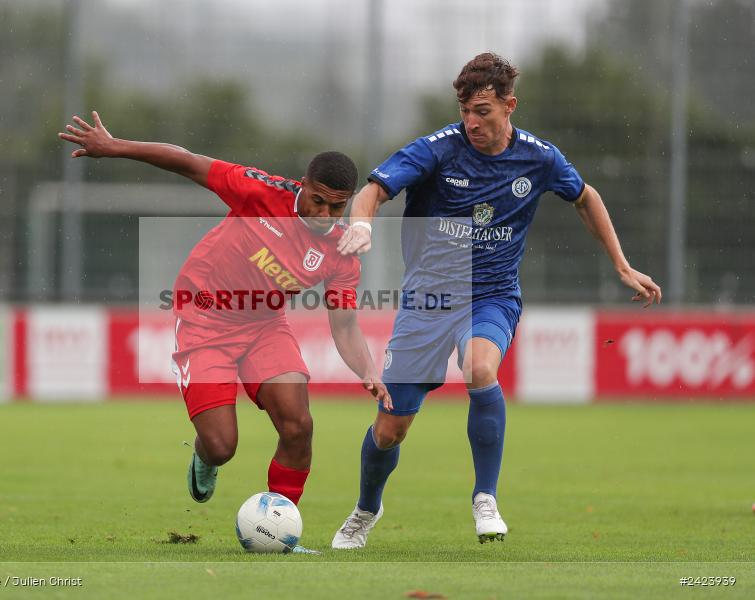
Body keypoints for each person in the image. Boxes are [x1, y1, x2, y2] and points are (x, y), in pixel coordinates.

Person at [331, 53, 661, 548]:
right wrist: (360, 223)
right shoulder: (438, 150)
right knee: (391, 428)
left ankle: (485, 497)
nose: (472, 122)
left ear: (510, 106)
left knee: (481, 369)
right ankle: (365, 509)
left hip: (492, 294)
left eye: (483, 111)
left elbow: (585, 196)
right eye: (465, 111)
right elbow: (373, 191)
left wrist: (621, 264)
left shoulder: (539, 157)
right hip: (429, 299)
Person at [60, 112, 390, 553]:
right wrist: (116, 146)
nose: (325, 215)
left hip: (263, 325)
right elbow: (187, 160)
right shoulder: (261, 191)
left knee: (298, 424)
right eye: (318, 201)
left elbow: (345, 324)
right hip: (203, 318)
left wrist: (367, 368)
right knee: (221, 446)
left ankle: (279, 533)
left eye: (337, 206)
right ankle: (204, 457)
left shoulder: (341, 251)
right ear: (303, 185)